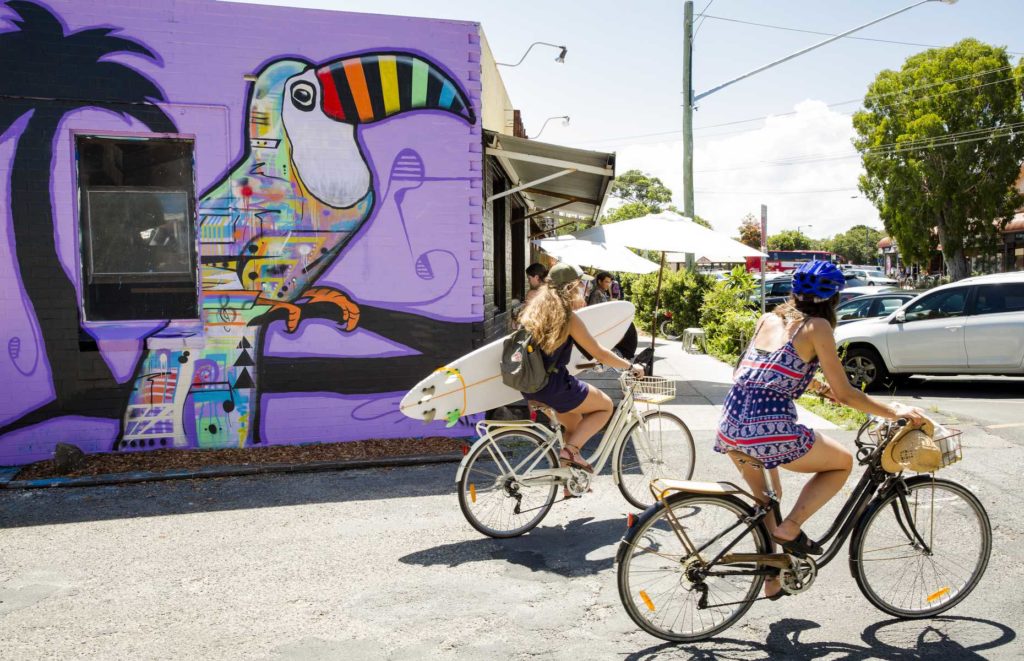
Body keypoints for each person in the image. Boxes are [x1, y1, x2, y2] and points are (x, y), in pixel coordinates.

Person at [715, 260, 925, 599]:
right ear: (835, 298)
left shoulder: (768, 318)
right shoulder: (817, 327)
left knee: (767, 500)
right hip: (769, 428)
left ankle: (772, 578)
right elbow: (846, 393)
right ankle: (793, 526)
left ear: (794, 291)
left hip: (731, 424)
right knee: (841, 462)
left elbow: (758, 370)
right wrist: (894, 410)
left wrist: (816, 387)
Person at [518, 263, 645, 477]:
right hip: (555, 386)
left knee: (575, 426)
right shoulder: (567, 316)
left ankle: (568, 482)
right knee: (605, 406)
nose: (581, 289)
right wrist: (631, 366)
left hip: (532, 385)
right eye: (578, 285)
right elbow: (599, 352)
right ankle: (570, 451)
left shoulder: (535, 311)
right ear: (570, 287)